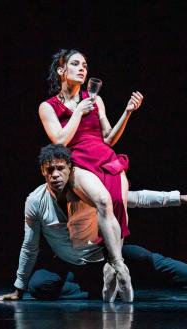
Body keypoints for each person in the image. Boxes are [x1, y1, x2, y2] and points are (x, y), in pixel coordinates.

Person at [0, 144, 187, 304]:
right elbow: (29, 246)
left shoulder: (89, 190)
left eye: (60, 168)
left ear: (70, 168)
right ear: (42, 172)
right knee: (38, 284)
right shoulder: (35, 200)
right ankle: (93, 291)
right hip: (70, 266)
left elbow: (137, 198)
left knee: (152, 260)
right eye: (49, 170)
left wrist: (182, 198)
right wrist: (18, 289)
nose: (55, 175)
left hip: (105, 258)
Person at [38, 49, 143, 301]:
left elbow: (108, 138)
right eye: (75, 64)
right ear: (61, 70)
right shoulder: (48, 106)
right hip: (77, 160)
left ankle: (110, 269)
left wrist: (127, 112)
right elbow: (60, 140)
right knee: (103, 201)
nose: (82, 68)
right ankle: (120, 267)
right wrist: (78, 112)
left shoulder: (96, 100)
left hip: (104, 157)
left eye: (85, 64)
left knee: (118, 205)